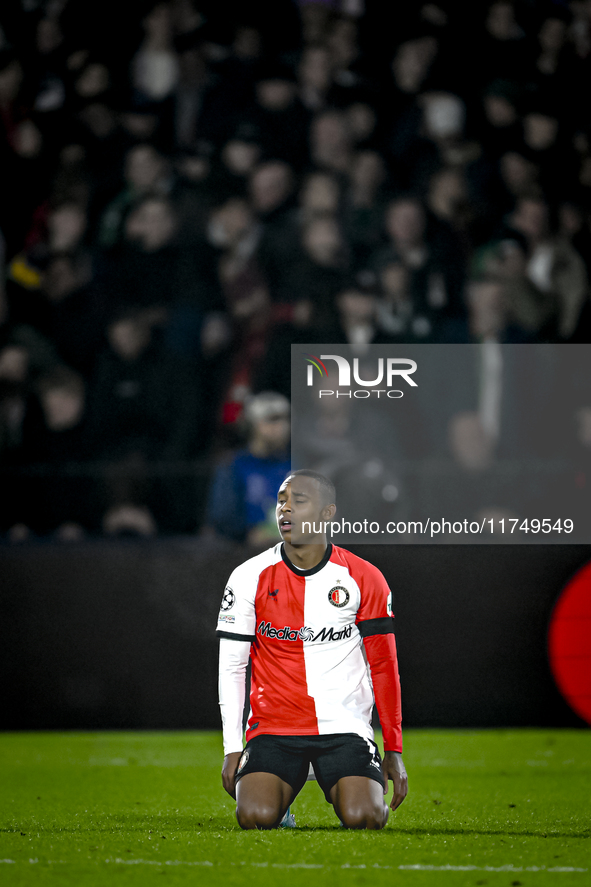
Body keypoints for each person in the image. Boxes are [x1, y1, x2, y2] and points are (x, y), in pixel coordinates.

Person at [216, 469, 407, 829]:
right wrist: (231, 747)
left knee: (364, 818)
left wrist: (394, 750)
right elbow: (232, 666)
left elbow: (384, 666)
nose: (284, 510)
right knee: (255, 817)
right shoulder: (248, 576)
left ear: (327, 513)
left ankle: (339, 777)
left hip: (344, 727)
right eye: (281, 501)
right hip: (274, 728)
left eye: (298, 501)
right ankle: (280, 795)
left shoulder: (364, 577)